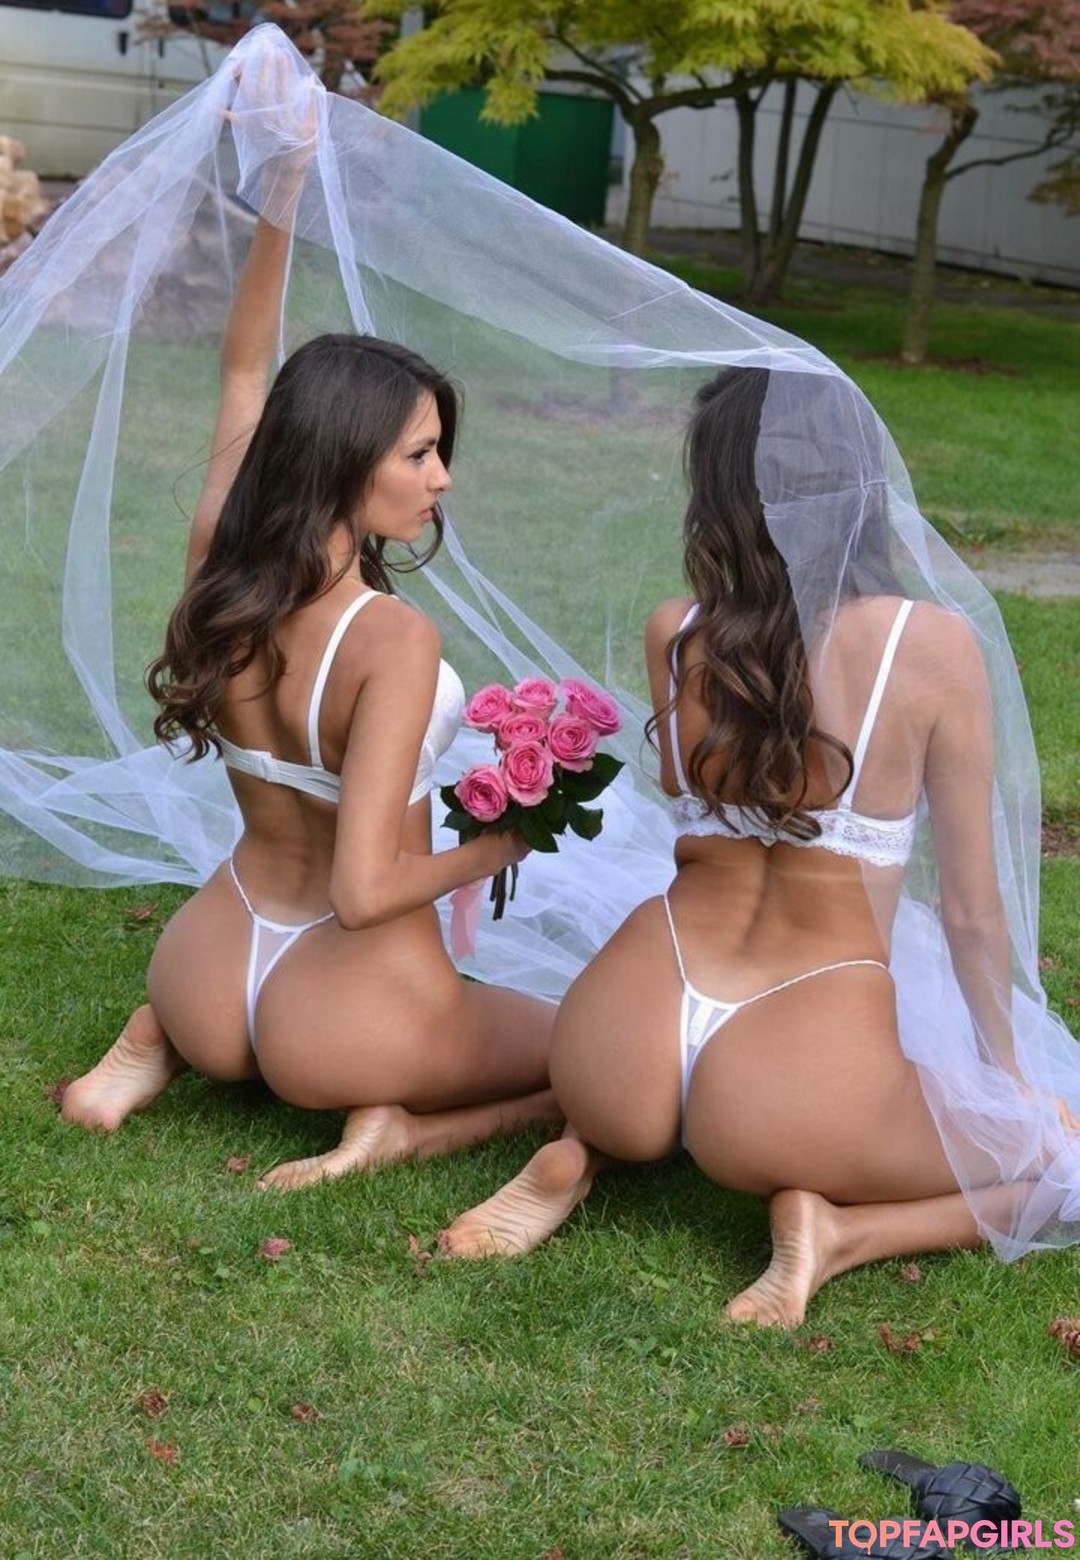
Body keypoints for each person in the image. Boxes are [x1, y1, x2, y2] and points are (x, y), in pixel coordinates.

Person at [439, 366, 1080, 1323]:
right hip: (797, 1072)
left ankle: (583, 1146)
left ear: (719, 493)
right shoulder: (929, 646)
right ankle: (839, 1233)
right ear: (859, 483)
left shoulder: (678, 633)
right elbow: (971, 912)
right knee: (1062, 1158)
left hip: (622, 1031)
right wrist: (1011, 1083)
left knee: (641, 1085)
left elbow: (690, 811)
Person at [58, 61, 558, 1187]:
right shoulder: (391, 640)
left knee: (231, 993)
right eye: (420, 454)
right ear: (345, 462)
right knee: (588, 1054)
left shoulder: (219, 552)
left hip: (207, 964)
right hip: (345, 1009)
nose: (441, 479)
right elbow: (363, 893)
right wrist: (503, 845)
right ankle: (397, 1129)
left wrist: (283, 186)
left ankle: (158, 1041)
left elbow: (246, 367)